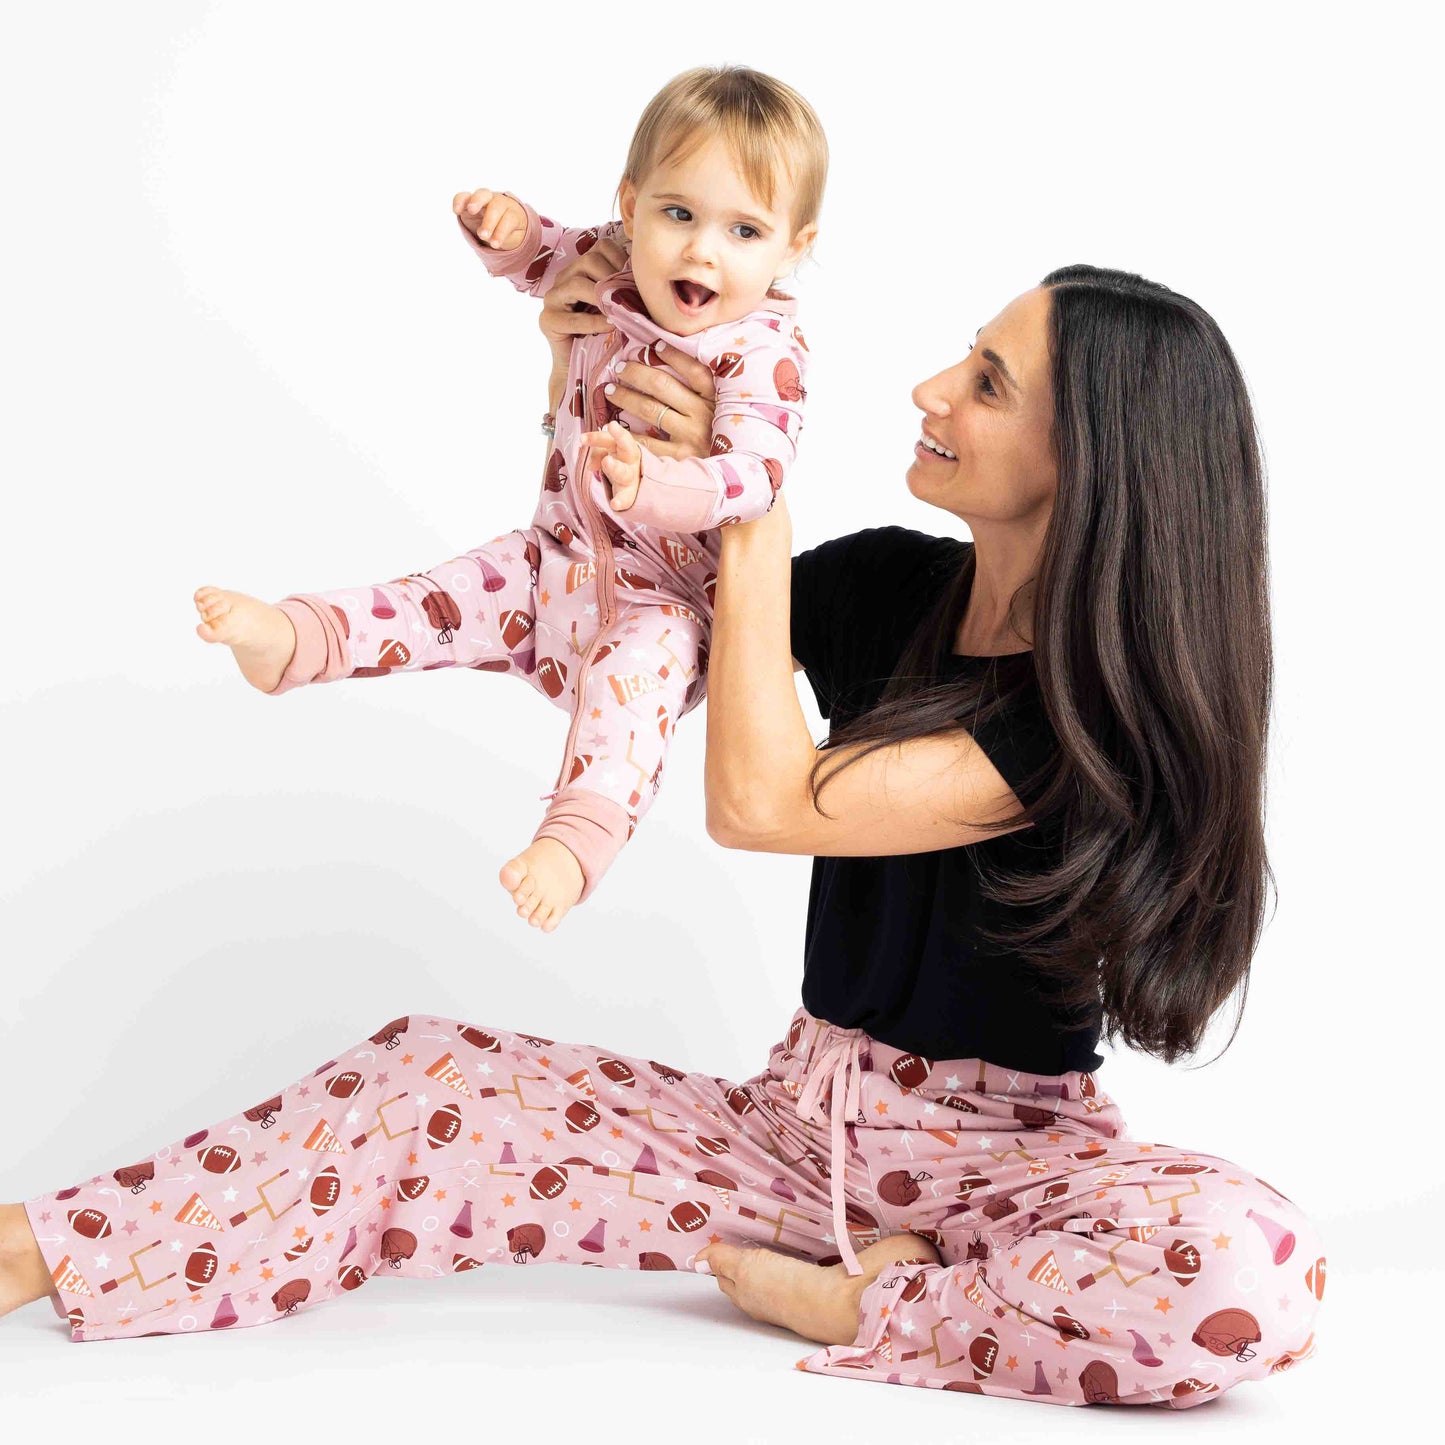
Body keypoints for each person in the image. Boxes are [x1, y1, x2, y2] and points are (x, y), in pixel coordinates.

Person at [0, 244, 1325, 1410]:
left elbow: (766, 800)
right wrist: (608, 385)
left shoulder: (1080, 725)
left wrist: (743, 504)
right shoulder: (884, 587)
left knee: (1247, 1267)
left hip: (1009, 1173)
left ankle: (867, 1306)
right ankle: (37, 1247)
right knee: (434, 1074)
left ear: (1090, 458)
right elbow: (624, 629)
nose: (929, 389)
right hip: (789, 1137)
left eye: (986, 382)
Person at [190, 64, 824, 932]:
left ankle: (574, 842)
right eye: (677, 213)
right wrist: (506, 227)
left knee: (629, 710)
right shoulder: (616, 264)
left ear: (793, 246)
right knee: (431, 597)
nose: (700, 250)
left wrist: (659, 482)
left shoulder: (762, 351)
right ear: (631, 203)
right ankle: (295, 640)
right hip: (549, 562)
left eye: (743, 230)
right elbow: (543, 258)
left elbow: (755, 474)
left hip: (666, 607)